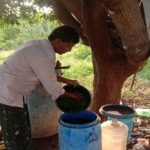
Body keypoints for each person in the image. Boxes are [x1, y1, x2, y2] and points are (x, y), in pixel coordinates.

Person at [0, 25, 80, 150]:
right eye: (69, 46)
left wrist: (68, 81)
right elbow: (52, 86)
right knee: (16, 134)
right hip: (7, 94)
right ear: (58, 41)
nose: (69, 50)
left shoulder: (38, 45)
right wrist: (72, 95)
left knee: (23, 128)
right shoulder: (44, 55)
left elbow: (46, 74)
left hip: (14, 92)